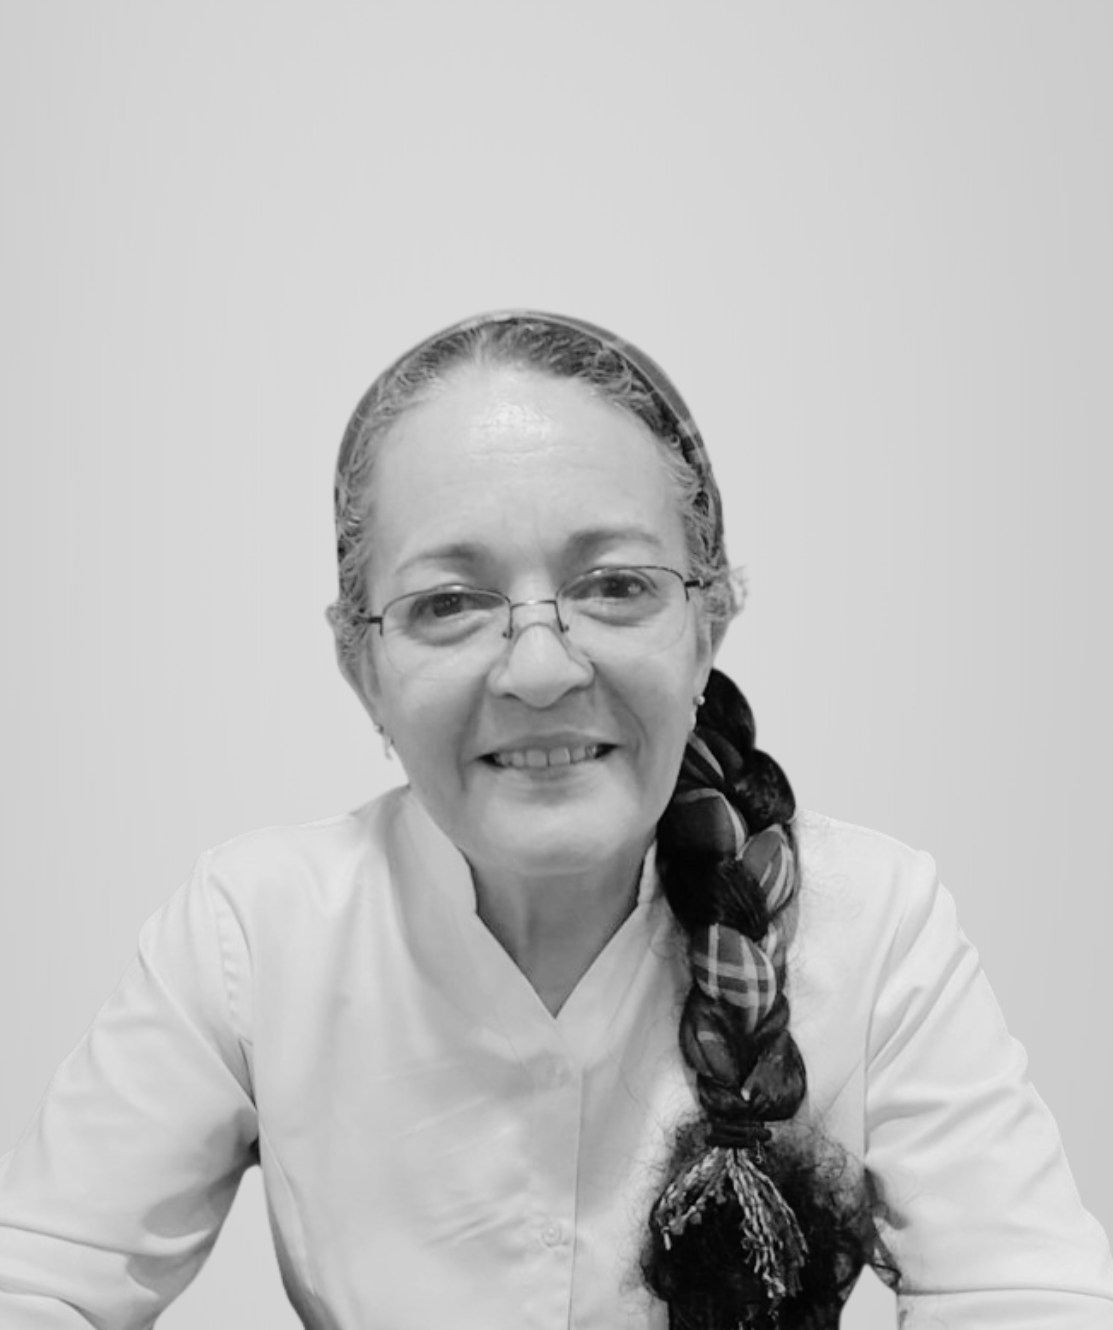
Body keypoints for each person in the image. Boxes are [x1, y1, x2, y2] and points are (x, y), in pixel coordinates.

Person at [0, 310, 1110, 1329]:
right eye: (449, 603)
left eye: (616, 585)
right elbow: (43, 1282)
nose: (537, 667)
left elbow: (1030, 1297)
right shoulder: (253, 926)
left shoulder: (876, 925)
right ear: (360, 665)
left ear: (709, 619)